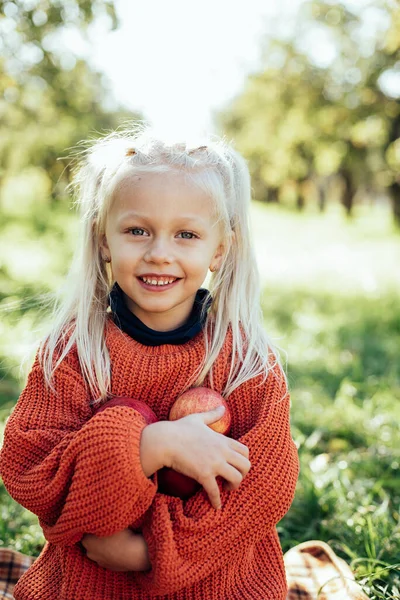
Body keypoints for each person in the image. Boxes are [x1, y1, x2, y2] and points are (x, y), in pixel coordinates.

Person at [0, 123, 300, 600]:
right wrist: (148, 445)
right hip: (93, 583)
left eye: (186, 234)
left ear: (219, 249)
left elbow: (266, 487)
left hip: (216, 583)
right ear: (103, 239)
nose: (159, 254)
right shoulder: (72, 352)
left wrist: (153, 553)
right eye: (137, 230)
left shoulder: (248, 362)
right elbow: (28, 467)